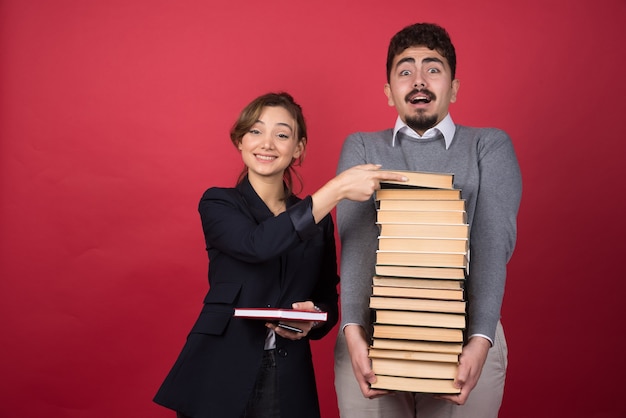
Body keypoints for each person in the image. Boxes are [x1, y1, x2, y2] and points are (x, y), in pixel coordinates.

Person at [153, 92, 406, 418]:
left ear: (298, 149)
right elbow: (257, 245)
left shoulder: (319, 220)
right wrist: (337, 189)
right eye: (256, 131)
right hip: (218, 369)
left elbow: (328, 302)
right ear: (240, 141)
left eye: (282, 134)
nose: (267, 143)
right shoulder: (218, 203)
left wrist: (311, 318)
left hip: (287, 374)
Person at [333, 23, 522, 418]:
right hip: (372, 336)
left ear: (453, 87)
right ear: (389, 92)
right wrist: (353, 330)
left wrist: (480, 338)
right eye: (405, 71)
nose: (418, 80)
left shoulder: (488, 145)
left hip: (467, 334)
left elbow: (491, 244)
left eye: (433, 69)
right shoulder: (363, 146)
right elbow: (356, 243)